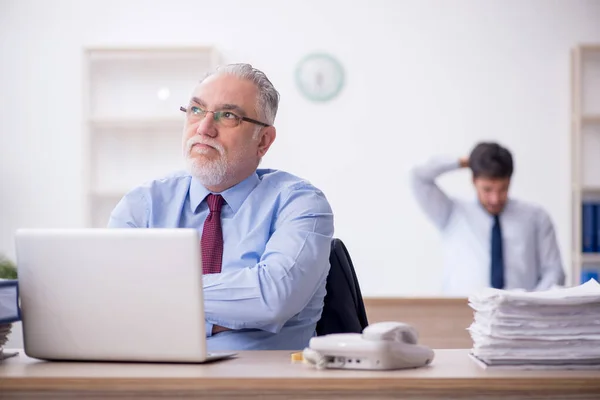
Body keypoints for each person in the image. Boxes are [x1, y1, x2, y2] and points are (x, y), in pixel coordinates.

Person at [108, 63, 334, 350]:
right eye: (196, 110)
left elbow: (271, 298)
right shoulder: (143, 204)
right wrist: (233, 311)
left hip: (263, 387)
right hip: (158, 379)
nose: (204, 128)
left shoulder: (300, 204)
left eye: (228, 115)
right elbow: (113, 300)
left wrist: (152, 295)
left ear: (263, 141)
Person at [410, 142, 565, 296]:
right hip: (460, 314)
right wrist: (466, 162)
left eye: (503, 188)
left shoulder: (536, 217)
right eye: (487, 189)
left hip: (522, 315)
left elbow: (554, 272)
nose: (495, 199)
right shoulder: (450, 213)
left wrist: (532, 304)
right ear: (473, 180)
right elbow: (417, 176)